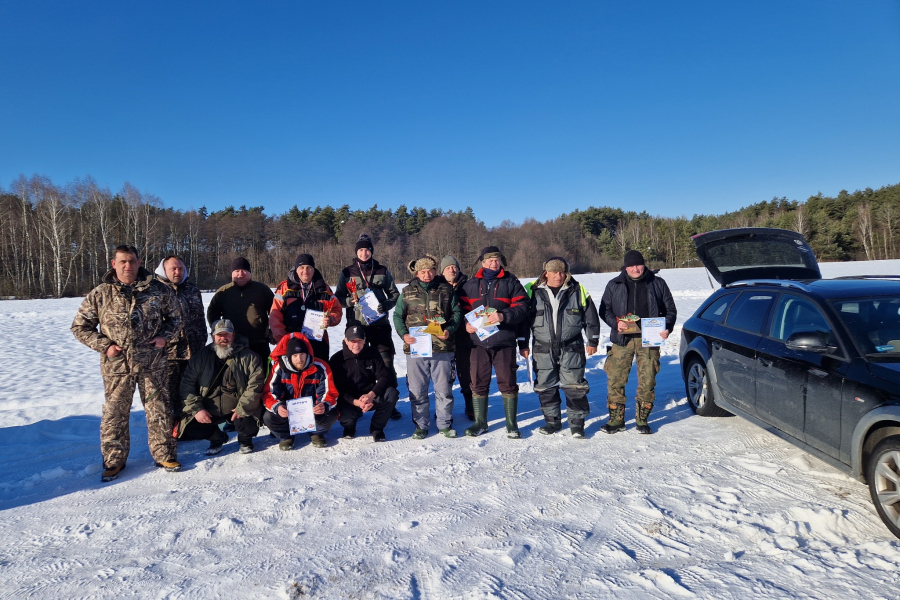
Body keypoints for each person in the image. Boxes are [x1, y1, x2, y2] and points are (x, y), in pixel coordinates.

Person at [71, 245, 183, 482]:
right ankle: (114, 460)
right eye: (122, 261)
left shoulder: (158, 290)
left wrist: (164, 337)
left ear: (139, 262)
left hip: (153, 362)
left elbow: (176, 318)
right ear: (114, 264)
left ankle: (164, 454)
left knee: (160, 409)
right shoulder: (101, 293)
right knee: (115, 413)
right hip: (117, 366)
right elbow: (80, 327)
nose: (127, 266)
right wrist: (105, 346)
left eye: (131, 261)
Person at [598, 250, 677, 434]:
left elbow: (670, 310)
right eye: (631, 265)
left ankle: (642, 420)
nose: (635, 269)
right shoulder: (614, 284)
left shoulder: (657, 283)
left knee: (647, 380)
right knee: (615, 379)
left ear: (644, 264)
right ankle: (616, 420)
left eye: (638, 265)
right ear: (625, 267)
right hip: (622, 339)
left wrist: (667, 327)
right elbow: (604, 309)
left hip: (649, 339)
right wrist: (616, 323)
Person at [523, 257, 600, 438]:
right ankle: (552, 422)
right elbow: (522, 321)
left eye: (561, 272)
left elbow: (591, 318)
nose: (558, 276)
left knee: (575, 386)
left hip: (572, 347)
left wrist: (593, 341)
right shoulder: (532, 290)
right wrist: (522, 343)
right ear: (546, 273)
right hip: (542, 348)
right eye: (554, 272)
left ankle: (577, 424)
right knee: (545, 386)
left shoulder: (578, 290)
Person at [457, 246, 529, 438]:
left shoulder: (511, 282)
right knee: (478, 383)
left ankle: (511, 424)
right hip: (478, 344)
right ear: (483, 262)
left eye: (496, 260)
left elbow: (523, 307)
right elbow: (460, 310)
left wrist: (503, 316)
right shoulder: (470, 285)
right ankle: (480, 423)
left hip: (504, 341)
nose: (493, 263)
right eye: (489, 260)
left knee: (508, 382)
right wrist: (465, 324)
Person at [392, 254, 462, 439]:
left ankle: (444, 424)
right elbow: (397, 316)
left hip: (442, 347)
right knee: (417, 390)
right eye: (422, 272)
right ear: (417, 273)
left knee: (444, 390)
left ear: (435, 271)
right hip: (416, 348)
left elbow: (456, 313)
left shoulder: (446, 289)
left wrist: (449, 330)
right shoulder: (407, 292)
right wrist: (404, 334)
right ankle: (421, 425)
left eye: (430, 271)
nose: (427, 275)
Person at [335, 233, 402, 420]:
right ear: (356, 252)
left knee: (386, 364)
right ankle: (354, 403)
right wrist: (349, 301)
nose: (364, 253)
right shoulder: (347, 272)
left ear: (372, 251)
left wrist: (386, 305)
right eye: (361, 250)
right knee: (356, 365)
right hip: (357, 326)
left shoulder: (382, 270)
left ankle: (390, 404)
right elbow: (338, 297)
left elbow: (395, 294)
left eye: (367, 250)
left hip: (379, 325)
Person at [175, 319, 265, 454]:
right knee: (187, 425)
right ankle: (217, 437)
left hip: (237, 407)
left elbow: (255, 385)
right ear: (213, 336)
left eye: (227, 334)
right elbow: (187, 385)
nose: (223, 338)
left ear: (234, 335)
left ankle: (245, 440)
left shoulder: (250, 357)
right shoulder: (200, 358)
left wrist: (242, 408)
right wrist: (197, 409)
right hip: (209, 409)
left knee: (248, 418)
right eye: (219, 335)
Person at [262, 332, 339, 450]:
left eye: (302, 354)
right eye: (295, 355)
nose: (299, 359)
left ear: (307, 353)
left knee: (331, 413)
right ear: (289, 356)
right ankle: (286, 436)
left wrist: (323, 405)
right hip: (287, 413)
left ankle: (316, 433)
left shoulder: (320, 366)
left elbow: (330, 392)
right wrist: (278, 407)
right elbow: (269, 393)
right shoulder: (279, 368)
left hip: (312, 413)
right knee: (268, 416)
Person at [155, 255, 208, 420]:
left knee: (192, 394)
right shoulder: (155, 291)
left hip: (193, 352)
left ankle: (189, 426)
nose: (177, 272)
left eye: (180, 268)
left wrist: (202, 341)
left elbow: (200, 319)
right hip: (167, 355)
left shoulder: (193, 290)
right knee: (168, 397)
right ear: (164, 270)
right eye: (173, 268)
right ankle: (172, 427)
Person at [330, 325, 400, 442]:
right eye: (353, 341)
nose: (356, 345)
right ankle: (349, 426)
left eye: (360, 341)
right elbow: (338, 388)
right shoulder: (337, 359)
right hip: (349, 399)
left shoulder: (373, 353)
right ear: (346, 341)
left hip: (369, 395)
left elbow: (384, 376)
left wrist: (371, 394)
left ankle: (376, 428)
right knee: (343, 411)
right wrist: (356, 402)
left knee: (391, 393)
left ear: (365, 340)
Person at [269, 253, 342, 360]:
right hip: (291, 342)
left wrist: (330, 319)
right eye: (301, 267)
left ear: (313, 269)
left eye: (309, 267)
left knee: (318, 369)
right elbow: (275, 317)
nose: (305, 271)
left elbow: (336, 310)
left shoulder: (324, 289)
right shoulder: (285, 289)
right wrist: (282, 340)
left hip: (317, 342)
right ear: (296, 269)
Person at [206, 257, 275, 364]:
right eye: (237, 271)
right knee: (233, 372)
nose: (240, 274)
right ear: (232, 273)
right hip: (232, 343)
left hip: (258, 341)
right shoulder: (224, 292)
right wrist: (218, 332)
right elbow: (212, 312)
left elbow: (275, 311)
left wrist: (273, 331)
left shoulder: (262, 290)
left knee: (262, 371)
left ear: (250, 273)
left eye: (244, 270)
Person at [440, 255, 475, 421]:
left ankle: (471, 406)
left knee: (465, 374)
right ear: (442, 271)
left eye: (454, 267)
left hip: (464, 338)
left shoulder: (468, 286)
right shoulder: (438, 287)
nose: (452, 270)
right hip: (443, 339)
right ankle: (443, 410)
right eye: (448, 268)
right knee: (444, 378)